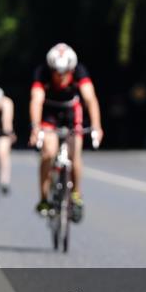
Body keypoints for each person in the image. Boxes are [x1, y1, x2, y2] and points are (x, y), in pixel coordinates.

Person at [29, 43, 103, 222]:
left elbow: (90, 99)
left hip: (71, 112)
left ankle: (76, 195)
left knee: (74, 152)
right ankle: (44, 198)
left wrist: (96, 126)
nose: (59, 76)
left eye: (64, 72)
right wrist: (35, 127)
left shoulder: (79, 71)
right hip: (49, 112)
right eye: (56, 71)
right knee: (48, 152)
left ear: (71, 68)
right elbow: (36, 101)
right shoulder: (42, 72)